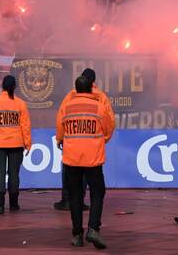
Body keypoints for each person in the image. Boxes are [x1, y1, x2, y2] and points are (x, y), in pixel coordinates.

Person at [56, 74, 115, 248]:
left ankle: (76, 235)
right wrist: (104, 139)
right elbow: (109, 126)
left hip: (71, 158)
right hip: (93, 159)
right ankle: (93, 229)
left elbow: (60, 127)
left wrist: (60, 140)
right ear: (91, 88)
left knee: (75, 195)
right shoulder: (98, 107)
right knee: (98, 193)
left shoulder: (67, 107)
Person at [0, 75, 32, 214]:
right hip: (16, 144)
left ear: (2, 86)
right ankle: (14, 205)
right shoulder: (20, 103)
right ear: (14, 87)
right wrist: (27, 143)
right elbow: (25, 126)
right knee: (14, 174)